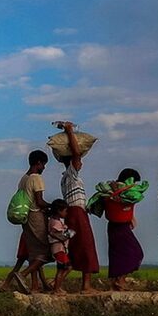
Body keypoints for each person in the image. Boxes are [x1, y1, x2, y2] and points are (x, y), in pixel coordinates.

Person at [54, 122, 99, 293]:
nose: (80, 163)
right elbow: (77, 154)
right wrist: (69, 131)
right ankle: (86, 286)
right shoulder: (70, 174)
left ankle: (57, 284)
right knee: (86, 246)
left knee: (74, 248)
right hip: (77, 214)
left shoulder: (66, 177)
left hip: (74, 213)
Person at [7, 150, 50, 294]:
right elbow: (39, 201)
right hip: (36, 216)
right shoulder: (36, 178)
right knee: (45, 252)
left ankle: (35, 286)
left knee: (34, 253)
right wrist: (53, 206)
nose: (43, 168)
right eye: (43, 165)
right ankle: (22, 274)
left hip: (26, 219)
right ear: (38, 163)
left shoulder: (23, 179)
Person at [102, 168, 147, 290]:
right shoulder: (115, 191)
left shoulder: (122, 191)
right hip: (119, 225)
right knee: (135, 252)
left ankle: (117, 282)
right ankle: (120, 281)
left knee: (118, 254)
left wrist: (131, 217)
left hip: (117, 225)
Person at [47, 199, 75, 291]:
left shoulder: (53, 220)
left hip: (59, 249)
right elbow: (54, 234)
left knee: (65, 267)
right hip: (59, 249)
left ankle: (56, 285)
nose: (66, 213)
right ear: (59, 211)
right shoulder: (56, 223)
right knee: (63, 269)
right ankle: (56, 288)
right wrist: (67, 234)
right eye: (65, 211)